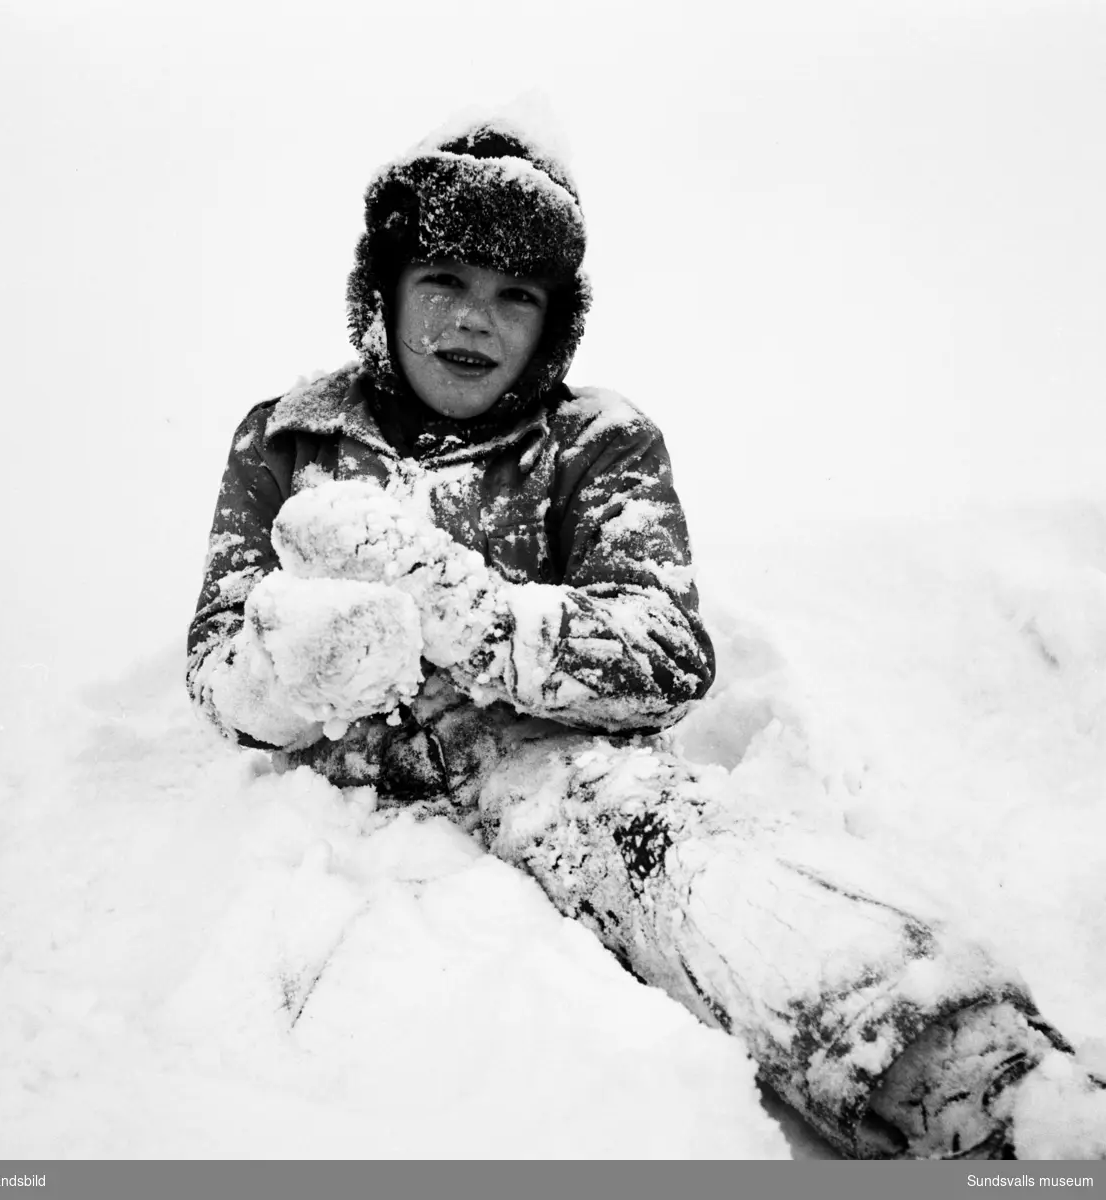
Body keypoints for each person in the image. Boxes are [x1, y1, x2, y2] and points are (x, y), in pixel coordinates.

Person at [187, 120, 1098, 1159]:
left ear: (551, 325)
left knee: (711, 869)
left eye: (515, 295)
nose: (474, 319)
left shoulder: (598, 442)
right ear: (383, 292)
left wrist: (467, 616)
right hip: (334, 826)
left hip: (554, 773)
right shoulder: (283, 438)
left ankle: (1006, 1108)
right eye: (444, 277)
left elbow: (661, 654)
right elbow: (217, 661)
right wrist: (287, 672)